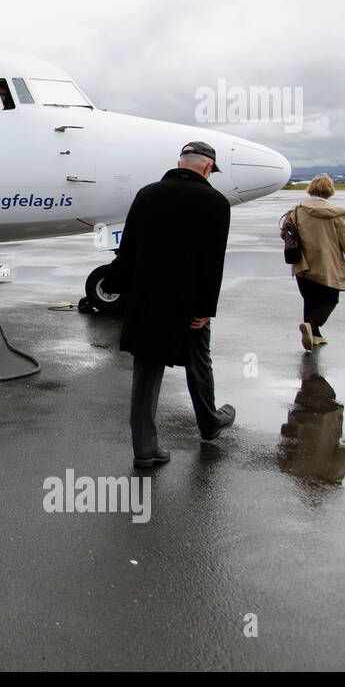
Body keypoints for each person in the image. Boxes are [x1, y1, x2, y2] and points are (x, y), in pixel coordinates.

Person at [108, 141, 237, 468]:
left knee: (146, 373)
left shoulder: (147, 194)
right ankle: (209, 422)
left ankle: (145, 450)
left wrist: (115, 288)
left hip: (148, 301)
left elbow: (129, 249)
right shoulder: (216, 202)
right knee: (198, 362)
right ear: (208, 168)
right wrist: (206, 308)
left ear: (180, 163)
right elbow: (212, 262)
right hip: (188, 304)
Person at [286, 174, 345, 351]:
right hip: (327, 265)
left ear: (311, 189)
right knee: (330, 299)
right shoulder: (338, 214)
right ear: (330, 191)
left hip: (302, 263)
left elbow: (285, 234)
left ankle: (314, 334)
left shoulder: (296, 211)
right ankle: (312, 325)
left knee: (310, 299)